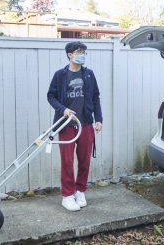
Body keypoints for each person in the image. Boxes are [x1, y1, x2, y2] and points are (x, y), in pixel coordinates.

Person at [47, 41, 103, 211]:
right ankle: (67, 196)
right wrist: (62, 109)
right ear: (70, 54)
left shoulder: (89, 74)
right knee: (67, 161)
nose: (82, 55)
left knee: (85, 161)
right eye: (79, 51)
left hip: (85, 124)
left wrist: (98, 119)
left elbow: (96, 97)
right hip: (66, 125)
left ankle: (80, 191)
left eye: (84, 52)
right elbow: (51, 96)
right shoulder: (60, 75)